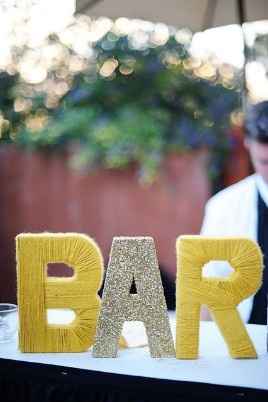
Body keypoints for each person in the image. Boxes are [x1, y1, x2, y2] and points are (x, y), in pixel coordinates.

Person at [201, 101, 268, 324]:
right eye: (265, 162)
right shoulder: (222, 207)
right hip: (245, 344)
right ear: (248, 143)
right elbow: (208, 286)